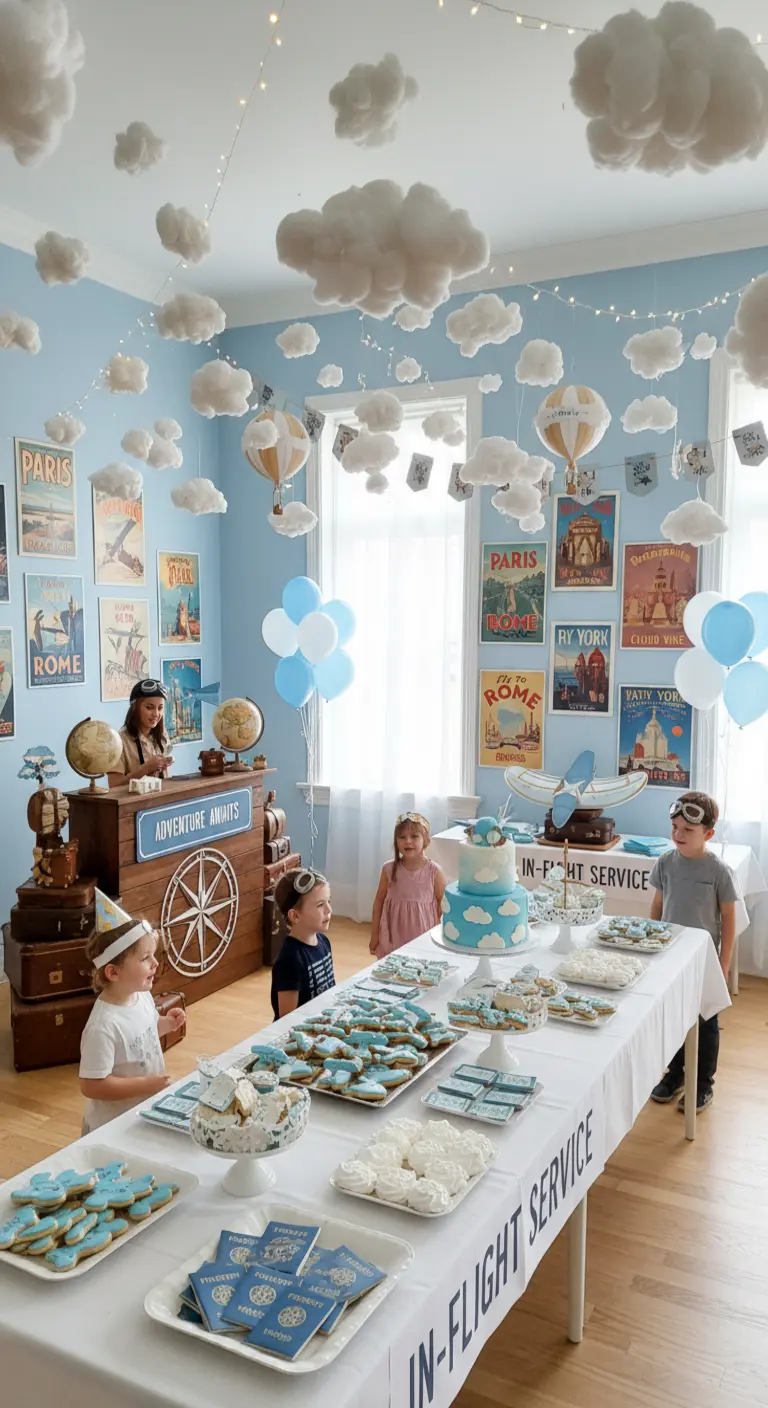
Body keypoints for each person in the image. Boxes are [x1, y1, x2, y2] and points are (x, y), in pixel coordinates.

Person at [649, 792, 737, 1115]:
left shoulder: (719, 872)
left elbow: (728, 920)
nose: (678, 835)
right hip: (669, 957)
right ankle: (675, 1075)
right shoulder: (665, 863)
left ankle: (703, 1083)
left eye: (688, 830)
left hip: (703, 962)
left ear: (709, 834)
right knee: (673, 1018)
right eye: (674, 827)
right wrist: (652, 944)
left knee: (705, 1022)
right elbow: (658, 905)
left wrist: (723, 966)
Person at [79, 892, 185, 1134]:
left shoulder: (141, 996)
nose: (155, 964)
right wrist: (146, 1084)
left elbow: (140, 1035)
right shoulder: (102, 1026)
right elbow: (92, 1085)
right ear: (113, 973)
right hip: (110, 1128)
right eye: (146, 958)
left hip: (140, 1112)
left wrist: (165, 1024)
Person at [369, 813, 446, 959]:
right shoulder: (388, 869)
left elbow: (444, 907)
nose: (408, 841)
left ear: (426, 840)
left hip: (423, 934)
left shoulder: (434, 871)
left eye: (414, 836)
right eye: (402, 837)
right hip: (393, 934)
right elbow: (378, 903)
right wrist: (375, 936)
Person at [271, 869, 335, 1019]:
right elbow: (287, 1019)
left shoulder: (324, 942)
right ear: (295, 915)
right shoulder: (290, 961)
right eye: (320, 905)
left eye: (328, 902)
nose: (329, 910)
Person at [107, 678, 173, 787]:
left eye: (160, 708)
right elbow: (114, 784)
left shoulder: (162, 735)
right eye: (149, 707)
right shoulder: (119, 741)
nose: (156, 714)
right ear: (134, 708)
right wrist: (145, 769)